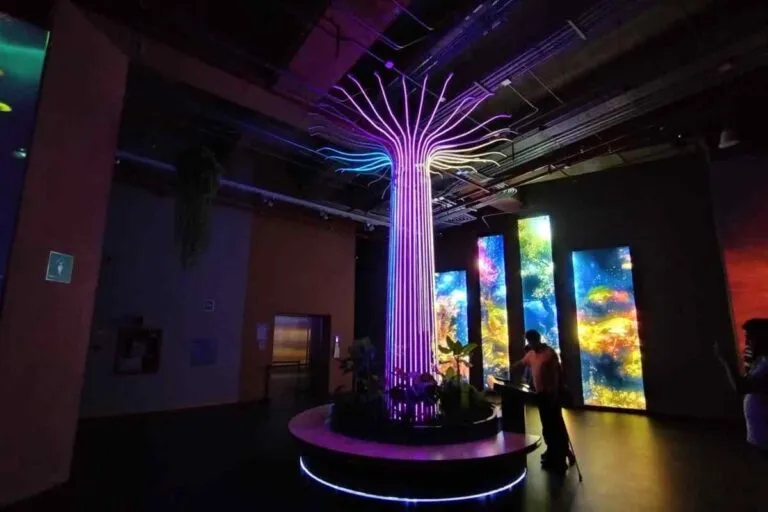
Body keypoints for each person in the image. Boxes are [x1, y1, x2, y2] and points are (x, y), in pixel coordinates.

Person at [512, 329, 570, 474]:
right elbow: (522, 363)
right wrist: (512, 368)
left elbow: (557, 375)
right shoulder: (531, 354)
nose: (530, 344)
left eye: (531, 341)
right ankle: (552, 451)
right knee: (547, 426)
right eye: (528, 341)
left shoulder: (549, 353)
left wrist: (555, 395)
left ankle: (562, 456)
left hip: (551, 395)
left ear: (537, 339)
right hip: (540, 396)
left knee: (557, 426)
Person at [715, 318, 768, 457]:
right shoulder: (760, 361)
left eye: (750, 338)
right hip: (759, 439)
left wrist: (726, 361)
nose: (747, 343)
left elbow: (741, 387)